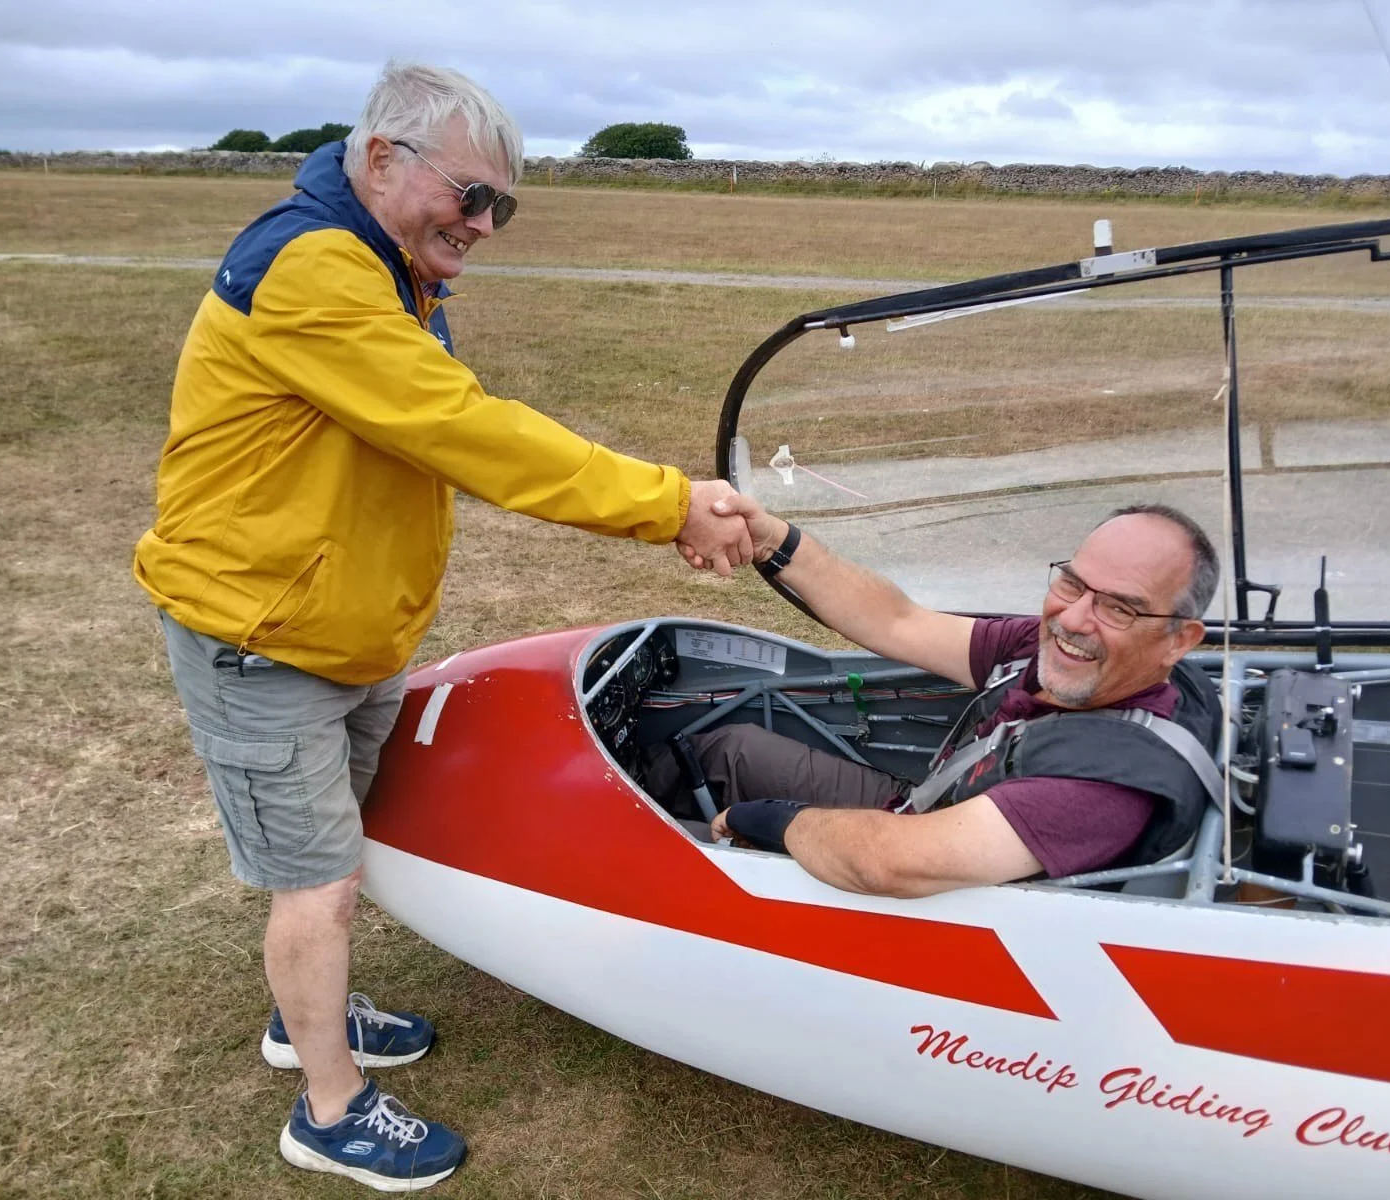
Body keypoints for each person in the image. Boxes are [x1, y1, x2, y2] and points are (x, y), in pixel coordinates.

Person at [134, 63, 747, 1191]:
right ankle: (326, 1110)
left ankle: (302, 1018)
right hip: (261, 635)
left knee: (336, 855)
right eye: (469, 196)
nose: (482, 226)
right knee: (315, 880)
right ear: (380, 161)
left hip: (339, 627)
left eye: (500, 206)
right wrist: (668, 506)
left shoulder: (384, 266)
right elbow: (464, 431)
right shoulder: (318, 271)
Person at [661, 499, 1220, 899]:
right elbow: (899, 621)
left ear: (1179, 640)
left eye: (1119, 608)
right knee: (728, 751)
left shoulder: (1100, 791)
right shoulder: (1047, 648)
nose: (1074, 620)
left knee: (723, 824)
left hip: (928, 885)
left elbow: (888, 863)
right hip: (922, 809)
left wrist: (770, 820)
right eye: (1073, 584)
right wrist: (775, 541)